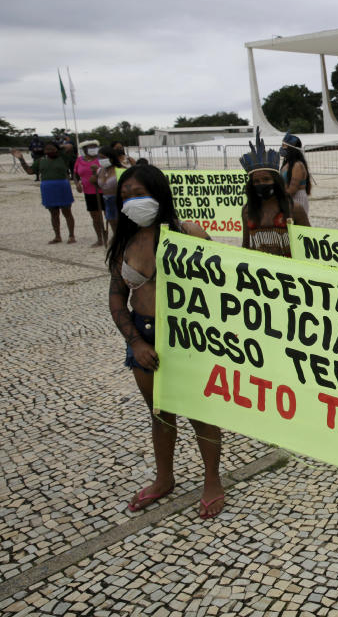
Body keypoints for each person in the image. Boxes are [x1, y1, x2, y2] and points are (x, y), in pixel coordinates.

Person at [106, 164, 226, 519]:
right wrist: (136, 343)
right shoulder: (125, 242)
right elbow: (116, 300)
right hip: (143, 336)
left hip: (189, 338)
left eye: (139, 193)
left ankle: (213, 480)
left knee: (200, 414)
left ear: (159, 193)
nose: (132, 201)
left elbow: (221, 285)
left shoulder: (189, 232)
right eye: (125, 196)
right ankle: (164, 479)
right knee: (160, 414)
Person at [240, 129, 310, 256]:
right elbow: (246, 246)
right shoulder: (247, 210)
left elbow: (309, 245)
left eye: (266, 179)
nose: (261, 184)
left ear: (275, 181)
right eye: (256, 181)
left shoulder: (295, 209)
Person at [14, 142, 77, 243]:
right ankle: (57, 236)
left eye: (52, 149)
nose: (49, 151)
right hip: (48, 188)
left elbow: (69, 146)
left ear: (57, 149)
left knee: (67, 212)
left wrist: (57, 146)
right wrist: (21, 159)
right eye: (47, 150)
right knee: (54, 213)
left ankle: (71, 235)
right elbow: (30, 171)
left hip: (62, 187)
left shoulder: (63, 157)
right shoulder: (40, 160)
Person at [74, 139, 107, 246]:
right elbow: (75, 174)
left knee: (109, 215)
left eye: (94, 147)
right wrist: (77, 184)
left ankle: (113, 236)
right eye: (90, 147)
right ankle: (100, 238)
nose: (93, 149)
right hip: (89, 192)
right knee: (95, 216)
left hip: (104, 190)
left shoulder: (101, 159)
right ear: (84, 149)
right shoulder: (79, 160)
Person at [97, 145, 127, 239]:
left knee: (120, 221)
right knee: (111, 220)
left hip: (118, 199)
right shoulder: (100, 170)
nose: (101, 160)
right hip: (106, 199)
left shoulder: (121, 170)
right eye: (100, 157)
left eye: (103, 158)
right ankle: (116, 237)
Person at [279, 132, 311, 215]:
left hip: (296, 199)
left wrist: (277, 198)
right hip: (287, 198)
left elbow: (293, 189)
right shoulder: (287, 163)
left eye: (284, 146)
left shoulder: (297, 165)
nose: (281, 148)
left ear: (291, 148)